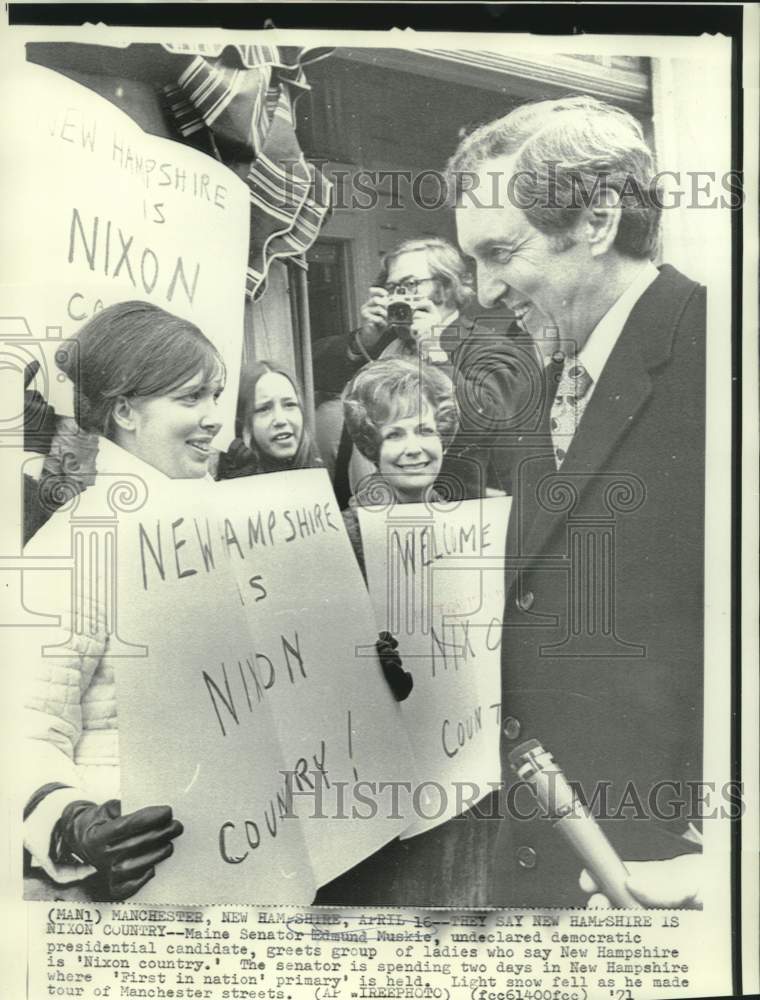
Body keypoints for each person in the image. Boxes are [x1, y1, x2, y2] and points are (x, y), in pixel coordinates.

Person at [448, 95, 706, 908]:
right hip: (546, 868)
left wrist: (725, 869)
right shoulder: (548, 375)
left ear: (598, 218)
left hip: (667, 879)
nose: (484, 291)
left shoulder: (723, 352)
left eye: (501, 252)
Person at [22, 300, 227, 900]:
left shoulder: (241, 523)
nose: (214, 417)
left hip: (245, 859)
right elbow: (26, 726)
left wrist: (364, 686)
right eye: (190, 398)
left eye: (215, 394)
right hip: (137, 885)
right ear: (124, 411)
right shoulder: (78, 545)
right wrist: (74, 822)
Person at [312, 237, 522, 505]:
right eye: (391, 287)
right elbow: (312, 370)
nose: (398, 295)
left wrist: (435, 352)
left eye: (409, 284)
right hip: (366, 505)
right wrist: (363, 340)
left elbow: (485, 422)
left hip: (447, 510)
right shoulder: (382, 340)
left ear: (446, 286)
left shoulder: (490, 346)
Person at [339, 357, 458, 578]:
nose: (413, 448)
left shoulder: (461, 528)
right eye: (394, 435)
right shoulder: (344, 539)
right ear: (372, 445)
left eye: (425, 431)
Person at [214, 360, 321, 479]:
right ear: (241, 423)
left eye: (289, 405)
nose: (281, 420)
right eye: (264, 409)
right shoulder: (231, 483)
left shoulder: (317, 470)